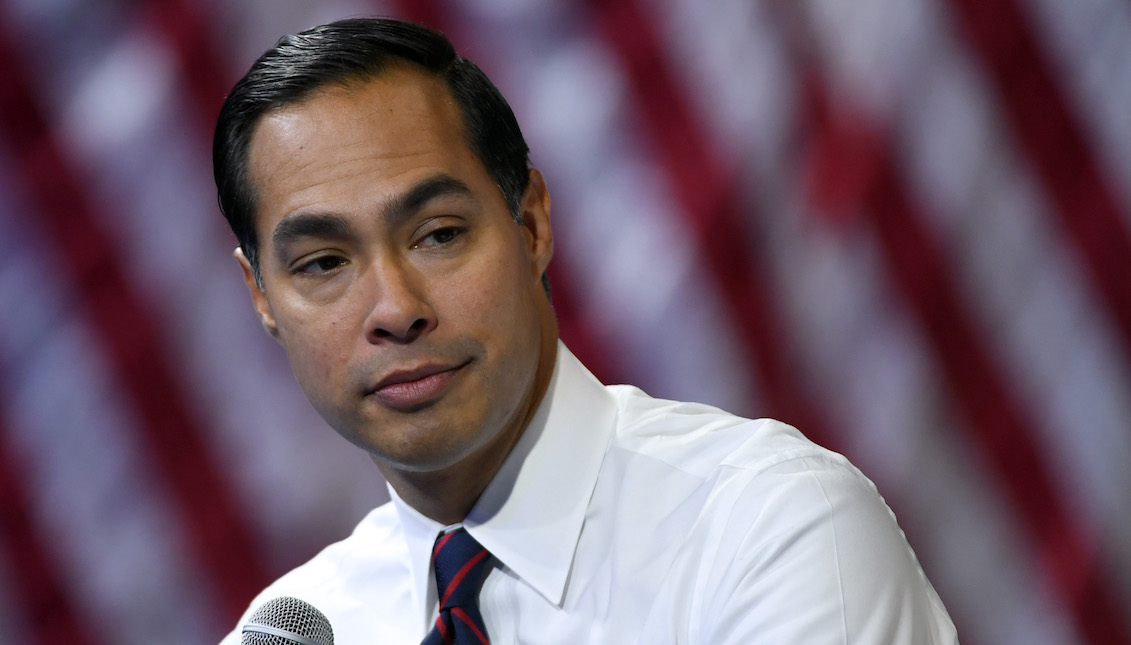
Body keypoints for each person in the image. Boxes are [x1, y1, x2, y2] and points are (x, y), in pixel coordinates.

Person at [213, 17, 957, 645]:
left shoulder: (770, 531)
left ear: (531, 221)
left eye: (436, 234)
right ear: (262, 298)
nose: (394, 308)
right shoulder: (303, 628)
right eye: (321, 262)